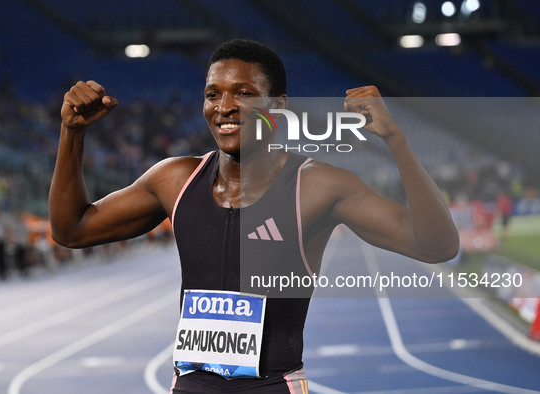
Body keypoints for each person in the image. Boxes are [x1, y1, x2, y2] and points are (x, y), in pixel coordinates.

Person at [49, 39, 459, 393]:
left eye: (243, 93)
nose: (224, 107)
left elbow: (436, 245)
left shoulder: (318, 186)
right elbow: (72, 229)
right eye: (213, 94)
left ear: (276, 107)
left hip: (272, 386)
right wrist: (73, 134)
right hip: (191, 384)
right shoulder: (176, 179)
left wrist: (396, 140)